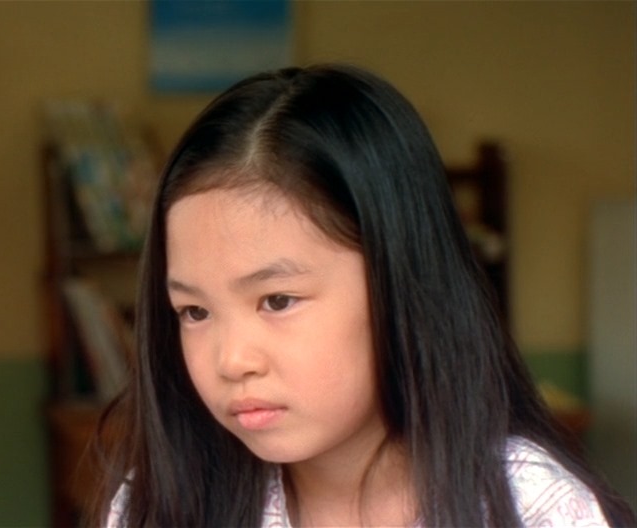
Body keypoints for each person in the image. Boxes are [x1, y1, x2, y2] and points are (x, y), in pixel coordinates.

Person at [92, 64, 636, 527]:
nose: (231, 360)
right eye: (194, 311)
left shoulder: (531, 507)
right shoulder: (156, 508)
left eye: (277, 300)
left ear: (399, 281)